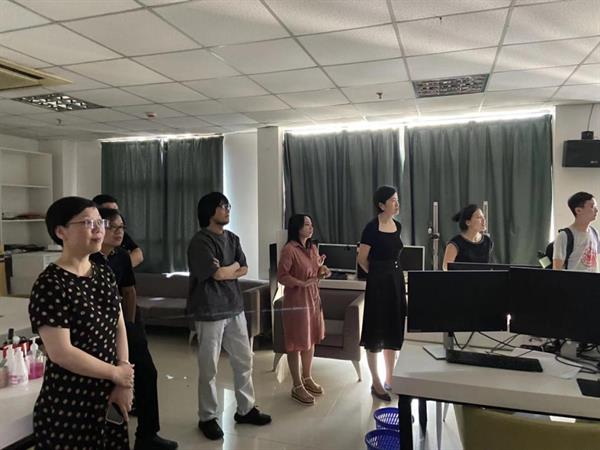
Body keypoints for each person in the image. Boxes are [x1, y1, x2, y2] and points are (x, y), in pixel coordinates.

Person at [28, 196, 134, 449]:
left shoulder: (104, 272)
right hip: (69, 403)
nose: (99, 229)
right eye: (88, 223)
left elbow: (118, 326)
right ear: (61, 232)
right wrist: (116, 374)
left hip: (108, 395)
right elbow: (61, 353)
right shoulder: (50, 284)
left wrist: (122, 376)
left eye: (100, 222)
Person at [91, 208, 178, 450]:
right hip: (97, 332)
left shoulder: (121, 256)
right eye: (113, 227)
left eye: (122, 227)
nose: (119, 232)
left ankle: (148, 434)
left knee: (147, 374)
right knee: (108, 384)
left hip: (124, 327)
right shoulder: (89, 259)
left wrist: (128, 327)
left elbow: (129, 291)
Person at [187, 192, 271, 440]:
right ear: (209, 211)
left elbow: (243, 268)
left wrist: (229, 268)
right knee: (209, 367)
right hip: (209, 311)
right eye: (223, 206)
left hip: (234, 307)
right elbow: (217, 274)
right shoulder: (200, 242)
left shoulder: (232, 238)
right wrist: (229, 268)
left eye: (228, 205)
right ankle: (207, 417)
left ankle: (245, 409)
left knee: (244, 360)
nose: (227, 209)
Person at [357, 186, 406, 402]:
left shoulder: (398, 225)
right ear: (381, 205)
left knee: (392, 329)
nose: (397, 203)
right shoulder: (371, 228)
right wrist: (377, 275)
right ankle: (376, 382)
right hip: (378, 282)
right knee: (376, 331)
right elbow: (362, 259)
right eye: (393, 200)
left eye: (397, 199)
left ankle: (390, 378)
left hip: (396, 280)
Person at [277, 214, 331, 406]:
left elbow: (315, 271)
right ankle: (297, 385)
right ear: (297, 227)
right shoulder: (289, 250)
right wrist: (301, 283)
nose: (311, 228)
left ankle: (307, 377)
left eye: (311, 224)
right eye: (307, 224)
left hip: (313, 299)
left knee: (310, 339)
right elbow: (282, 276)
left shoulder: (312, 248)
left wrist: (323, 270)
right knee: (296, 343)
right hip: (297, 301)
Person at [93, 194, 144, 268]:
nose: (114, 214)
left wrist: (120, 267)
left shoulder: (119, 234)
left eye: (116, 210)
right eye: (109, 210)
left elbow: (138, 254)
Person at [553, 192, 599, 272]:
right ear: (578, 210)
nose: (597, 210)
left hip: (593, 280)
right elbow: (557, 270)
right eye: (592, 206)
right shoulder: (564, 236)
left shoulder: (594, 233)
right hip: (572, 280)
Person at [442, 204, 493, 270]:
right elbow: (446, 267)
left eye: (483, 217)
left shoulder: (487, 241)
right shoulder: (455, 244)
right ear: (468, 222)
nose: (483, 220)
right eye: (479, 217)